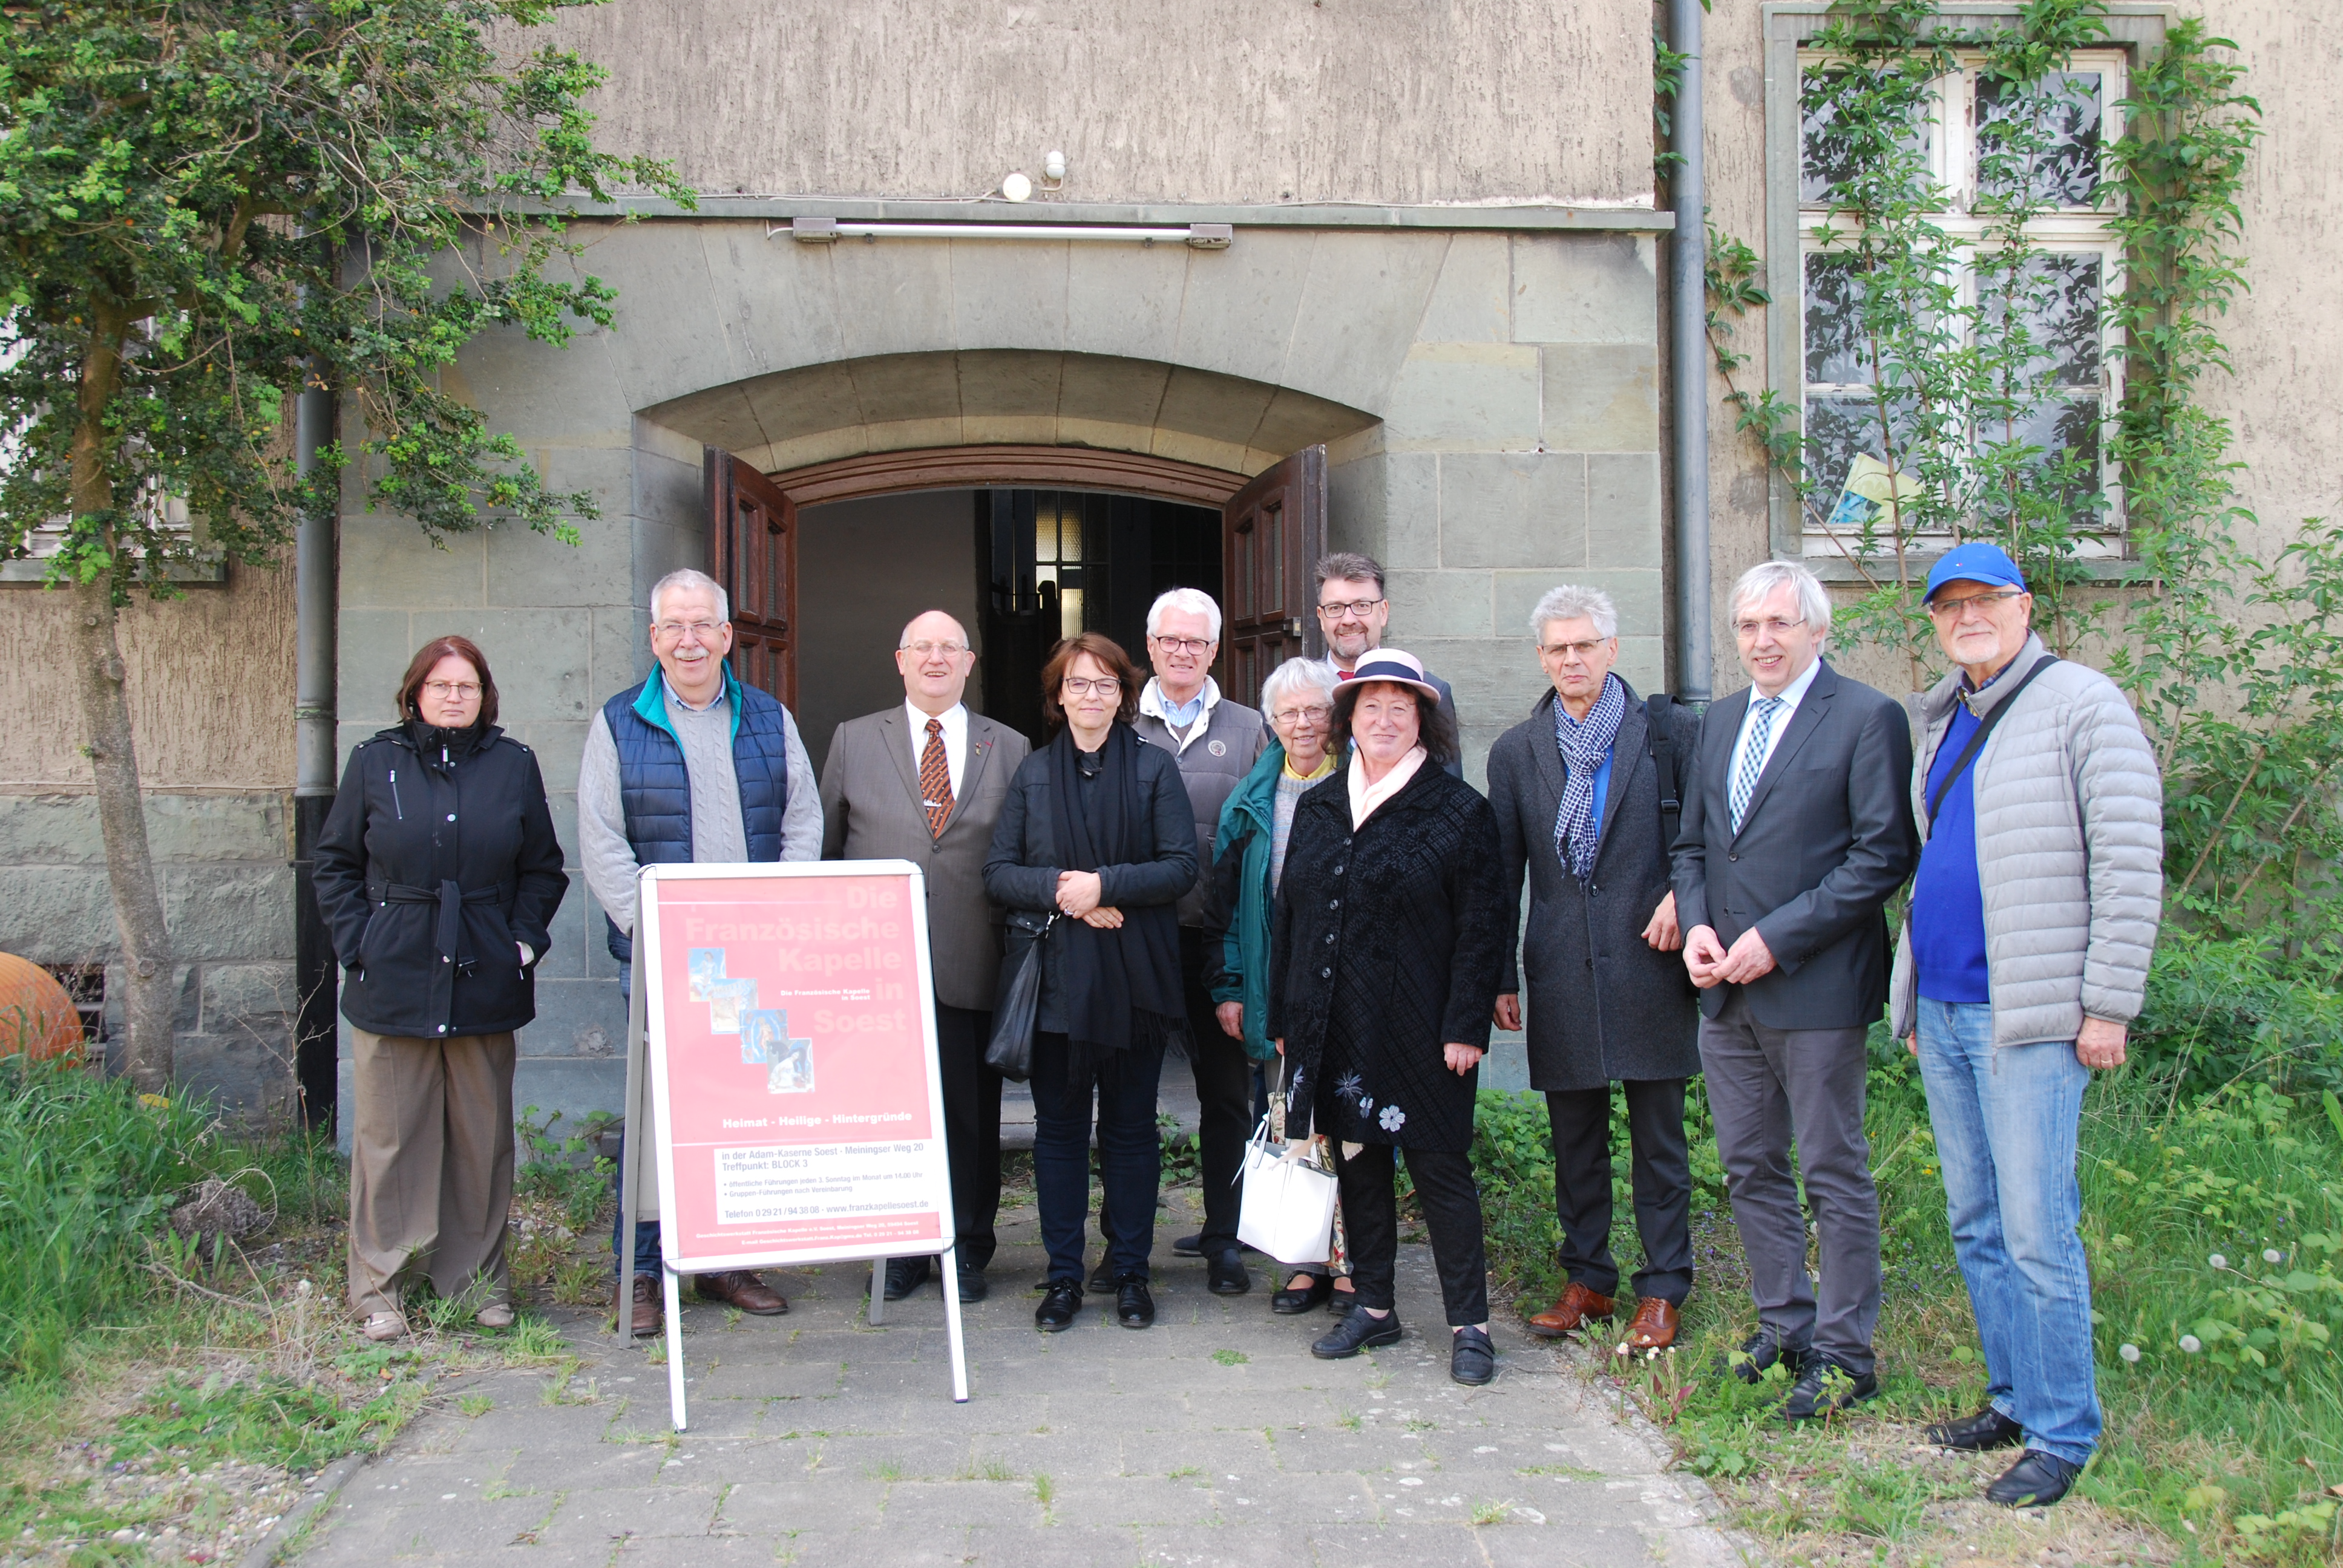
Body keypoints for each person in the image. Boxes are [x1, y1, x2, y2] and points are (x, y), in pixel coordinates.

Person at [1892, 543, 2161, 1508]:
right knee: (1976, 1220)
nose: (1967, 616)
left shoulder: (2084, 703)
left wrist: (2107, 1006)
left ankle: (2063, 1431)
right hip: (1946, 1009)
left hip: (2035, 1014)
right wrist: (1912, 993)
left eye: (1984, 600)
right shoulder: (1945, 715)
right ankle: (2012, 1397)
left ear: (2025, 605)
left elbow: (2129, 863)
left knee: (2040, 1227)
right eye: (1948, 605)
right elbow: (1936, 864)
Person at [1673, 560, 1919, 1419]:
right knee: (1748, 1164)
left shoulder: (1865, 718)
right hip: (1723, 991)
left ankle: (1849, 1355)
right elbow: (1695, 847)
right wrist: (1698, 925)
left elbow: (1883, 856)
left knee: (1831, 1169)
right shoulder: (1724, 721)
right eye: (1748, 626)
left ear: (1819, 631)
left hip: (1814, 988)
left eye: (1780, 624)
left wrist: (1774, 941)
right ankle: (1788, 1326)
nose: (1762, 641)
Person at [579, 567, 822, 1336]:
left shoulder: (769, 718)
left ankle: (724, 1261)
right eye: (672, 627)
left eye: (702, 626)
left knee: (738, 1114)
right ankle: (642, 1274)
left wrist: (776, 922)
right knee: (656, 1117)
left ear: (726, 636)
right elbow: (601, 841)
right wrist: (652, 931)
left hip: (752, 959)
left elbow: (801, 823)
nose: (688, 640)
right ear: (654, 639)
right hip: (662, 958)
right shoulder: (619, 723)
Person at [315, 636, 568, 1342]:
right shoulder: (375, 762)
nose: (454, 697)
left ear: (485, 696)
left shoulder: (512, 765)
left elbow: (543, 869)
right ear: (415, 693)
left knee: (480, 1138)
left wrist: (520, 942)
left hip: (484, 970)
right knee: (391, 1138)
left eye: (468, 686)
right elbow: (335, 865)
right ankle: (380, 1288)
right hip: (394, 971)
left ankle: (475, 1282)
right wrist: (359, 942)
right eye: (441, 685)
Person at [1271, 650, 1509, 1385]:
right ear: (1348, 719)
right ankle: (1374, 1307)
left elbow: (1484, 927)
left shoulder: (1458, 810)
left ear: (1422, 722)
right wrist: (1287, 1016)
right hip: (1335, 1023)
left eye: (1399, 709)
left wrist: (1466, 1025)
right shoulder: (1318, 805)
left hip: (1424, 1029)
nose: (1383, 720)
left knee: (1440, 1171)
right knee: (1357, 1166)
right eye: (1369, 707)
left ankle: (1469, 1324)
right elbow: (1292, 918)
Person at [1489, 585, 1703, 1351]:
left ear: (1611, 650)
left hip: (1652, 958)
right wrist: (1500, 976)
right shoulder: (1517, 750)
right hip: (1560, 969)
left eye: (1584, 645)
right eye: (1556, 648)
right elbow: (1499, 874)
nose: (1570, 659)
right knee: (1574, 1138)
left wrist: (1687, 897)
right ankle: (1587, 1280)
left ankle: (1663, 1287)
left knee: (1659, 1140)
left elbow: (1704, 836)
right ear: (1541, 657)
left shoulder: (1669, 733)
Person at [983, 633, 1199, 1333]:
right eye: (1077, 684)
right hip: (1056, 988)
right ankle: (1063, 1276)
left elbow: (1179, 867)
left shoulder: (1153, 771)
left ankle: (1132, 1272)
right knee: (1060, 1134)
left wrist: (1106, 884)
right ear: (1057, 696)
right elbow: (998, 874)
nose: (1091, 696)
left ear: (1123, 696)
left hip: (1134, 983)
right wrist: (1065, 891)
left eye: (1105, 685)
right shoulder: (1033, 775)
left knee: (1133, 1133)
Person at [819, 610, 1031, 1305]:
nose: (935, 658)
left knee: (972, 1117)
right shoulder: (853, 741)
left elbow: (1026, 851)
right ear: (900, 660)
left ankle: (967, 1248)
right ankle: (901, 1247)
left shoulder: (1009, 746)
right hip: (876, 968)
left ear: (969, 663)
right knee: (887, 1115)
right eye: (922, 648)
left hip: (974, 958)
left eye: (950, 648)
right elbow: (824, 850)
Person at [1129, 587, 1268, 1297]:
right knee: (1127, 1100)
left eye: (1196, 642)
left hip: (1218, 945)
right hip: (1136, 942)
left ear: (1215, 651)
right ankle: (1127, 1248)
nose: (1182, 652)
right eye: (1169, 640)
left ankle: (1226, 1239)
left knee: (1225, 1097)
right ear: (1149, 646)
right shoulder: (1118, 720)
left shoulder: (1249, 729)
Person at [1204, 656, 1354, 1314]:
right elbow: (1226, 912)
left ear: (1333, 718)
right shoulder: (1249, 803)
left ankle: (1352, 1265)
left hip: (1349, 987)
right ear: (1270, 722)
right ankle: (1303, 1262)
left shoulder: (1358, 786)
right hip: (1281, 988)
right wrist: (1231, 987)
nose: (1301, 724)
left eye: (1314, 710)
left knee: (1350, 1129)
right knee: (1290, 1122)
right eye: (1288, 712)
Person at [1312, 552, 1462, 772]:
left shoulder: (1431, 692)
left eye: (1362, 605)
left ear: (1383, 612)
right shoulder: (1295, 697)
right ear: (1321, 617)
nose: (1348, 620)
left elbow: (1451, 793)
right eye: (1335, 608)